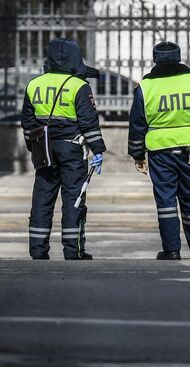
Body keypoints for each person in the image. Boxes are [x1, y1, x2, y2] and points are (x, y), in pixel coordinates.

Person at [128, 41, 190, 261]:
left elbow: (137, 124)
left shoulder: (146, 87)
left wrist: (138, 155)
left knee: (166, 200)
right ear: (179, 57)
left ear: (155, 59)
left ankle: (171, 250)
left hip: (160, 151)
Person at [21, 38, 106, 260]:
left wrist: (34, 147)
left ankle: (38, 251)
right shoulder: (78, 85)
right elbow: (89, 122)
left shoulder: (34, 84)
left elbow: (28, 122)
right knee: (73, 199)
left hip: (44, 149)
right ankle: (73, 250)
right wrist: (98, 150)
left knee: (42, 198)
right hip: (71, 149)